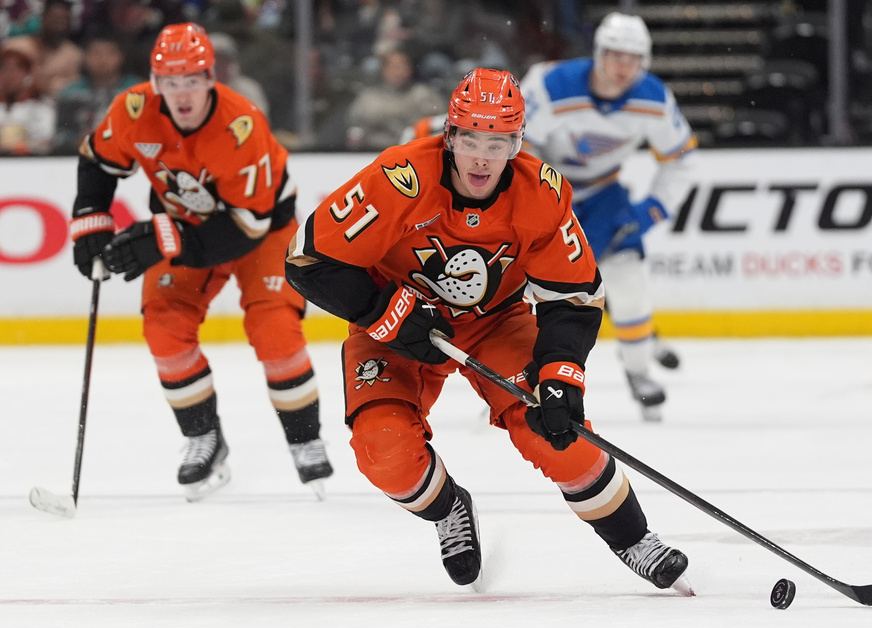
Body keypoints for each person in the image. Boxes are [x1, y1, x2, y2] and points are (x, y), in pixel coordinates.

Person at [285, 67, 689, 592]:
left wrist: (561, 371)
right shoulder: (399, 178)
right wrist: (386, 311)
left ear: (517, 144)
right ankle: (449, 508)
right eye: (471, 139)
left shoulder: (541, 194)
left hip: (496, 321)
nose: (481, 157)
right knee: (384, 452)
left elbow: (574, 296)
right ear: (449, 135)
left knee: (557, 434)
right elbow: (308, 259)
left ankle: (635, 540)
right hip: (395, 322)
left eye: (497, 143)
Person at [68, 22, 334, 501]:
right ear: (155, 83)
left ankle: (304, 438)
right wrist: (90, 222)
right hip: (185, 228)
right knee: (164, 326)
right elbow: (98, 162)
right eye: (171, 82)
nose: (182, 94)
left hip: (261, 231)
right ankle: (204, 438)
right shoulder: (133, 110)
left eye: (192, 80)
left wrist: (163, 238)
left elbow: (246, 227)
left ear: (211, 78)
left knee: (275, 330)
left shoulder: (241, 124)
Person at [520, 11, 697, 421]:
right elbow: (518, 145)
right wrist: (536, 195)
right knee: (529, 290)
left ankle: (639, 372)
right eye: (616, 55)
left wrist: (652, 209)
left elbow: (681, 160)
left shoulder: (653, 99)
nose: (623, 67)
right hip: (548, 189)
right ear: (599, 53)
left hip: (603, 193)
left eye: (633, 58)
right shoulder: (551, 84)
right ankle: (520, 373)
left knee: (627, 278)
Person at [52, 29, 142, 154]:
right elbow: (60, 134)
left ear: (121, 57)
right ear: (85, 57)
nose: (102, 60)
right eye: (96, 54)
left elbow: (148, 131)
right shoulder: (71, 93)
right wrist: (76, 141)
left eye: (109, 53)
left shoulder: (137, 90)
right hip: (77, 156)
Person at [345, 46, 445, 151]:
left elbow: (438, 126)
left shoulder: (424, 96)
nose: (398, 72)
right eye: (393, 67)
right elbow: (355, 128)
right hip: (372, 153)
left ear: (410, 70)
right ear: (383, 70)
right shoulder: (367, 99)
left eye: (402, 67)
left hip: (414, 152)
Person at [0, 37, 55, 155]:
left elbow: (46, 141)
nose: (10, 75)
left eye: (17, 69)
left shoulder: (41, 105)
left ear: (28, 73)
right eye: (5, 68)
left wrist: (22, 147)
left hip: (30, 161)